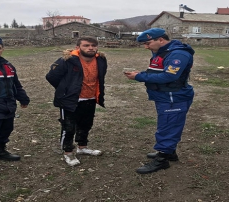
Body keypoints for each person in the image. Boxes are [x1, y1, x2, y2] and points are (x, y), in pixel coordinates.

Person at [124, 28, 195, 174]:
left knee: (167, 127)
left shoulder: (178, 54)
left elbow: (169, 76)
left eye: (148, 43)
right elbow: (157, 71)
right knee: (169, 124)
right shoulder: (162, 51)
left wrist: (139, 77)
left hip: (173, 96)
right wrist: (141, 73)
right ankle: (170, 152)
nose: (146, 47)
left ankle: (162, 159)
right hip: (164, 95)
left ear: (161, 40)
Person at [46, 36, 107, 166]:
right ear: (78, 47)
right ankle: (68, 152)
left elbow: (101, 76)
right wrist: (66, 90)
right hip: (71, 100)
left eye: (93, 45)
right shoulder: (67, 60)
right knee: (68, 127)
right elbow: (51, 77)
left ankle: (82, 147)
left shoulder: (101, 60)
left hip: (90, 98)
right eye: (86, 45)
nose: (90, 48)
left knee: (86, 124)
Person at [0, 36, 30, 176]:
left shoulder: (7, 65)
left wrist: (23, 98)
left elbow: (15, 84)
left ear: (2, 49)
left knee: (5, 130)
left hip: (7, 105)